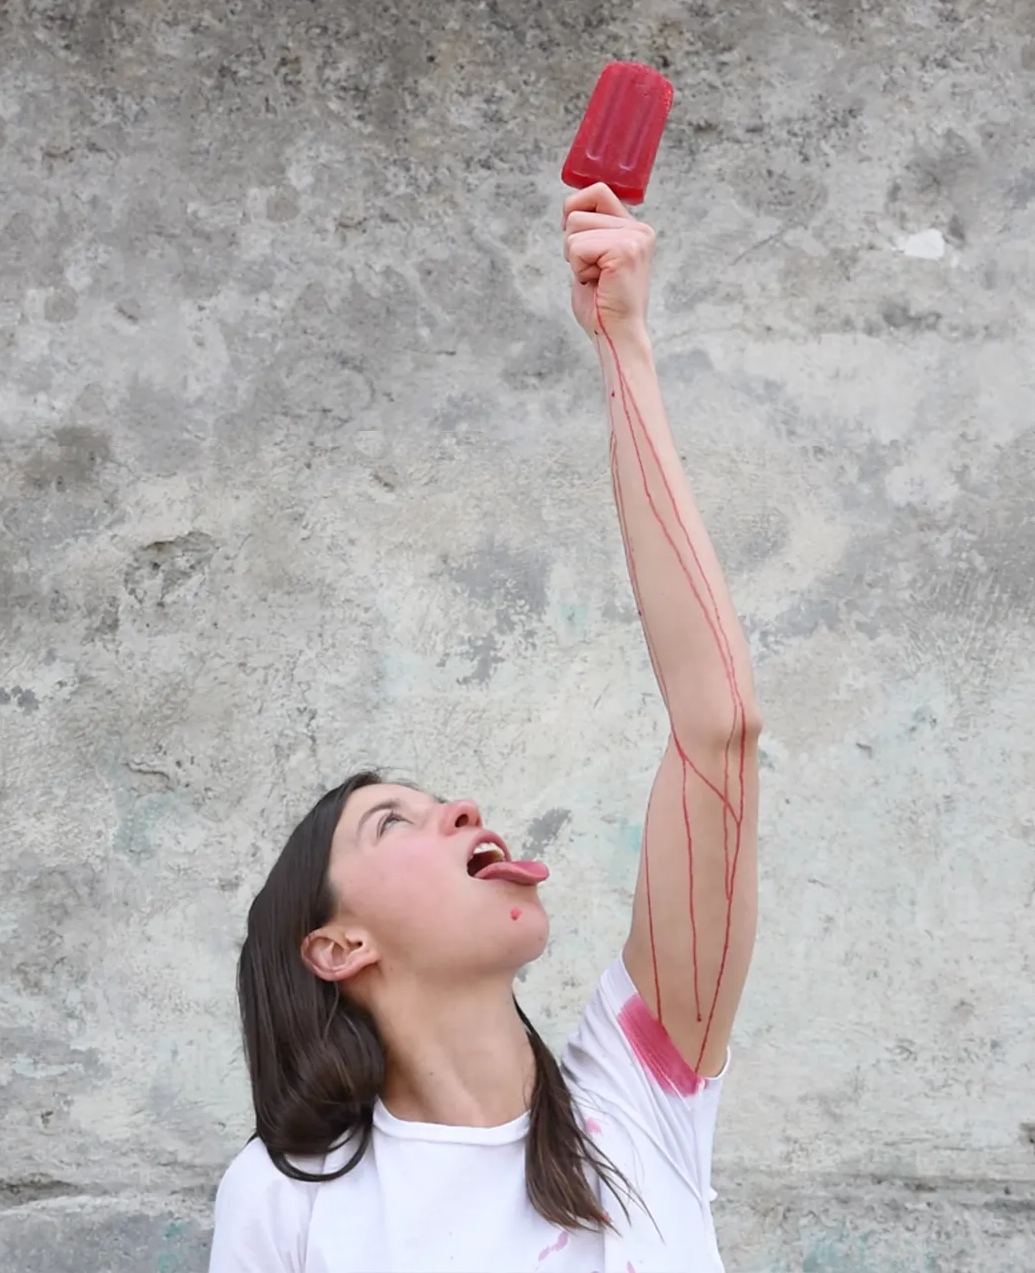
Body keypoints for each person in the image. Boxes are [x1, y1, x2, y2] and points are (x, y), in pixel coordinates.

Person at [208, 182, 762, 1272]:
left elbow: (721, 731)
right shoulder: (285, 1198)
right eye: (391, 821)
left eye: (434, 802)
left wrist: (624, 346)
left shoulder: (638, 1095)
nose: (461, 808)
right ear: (338, 947)